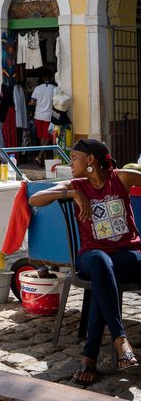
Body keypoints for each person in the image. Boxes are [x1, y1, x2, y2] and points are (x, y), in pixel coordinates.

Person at [31, 138, 141, 386]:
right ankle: (120, 338)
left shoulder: (121, 178)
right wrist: (71, 193)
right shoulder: (75, 184)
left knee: (107, 273)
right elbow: (34, 199)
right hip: (91, 257)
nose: (71, 163)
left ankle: (90, 356)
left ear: (90, 160)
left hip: (126, 255)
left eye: (75, 158)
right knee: (102, 263)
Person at [29, 72, 55, 164]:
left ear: (43, 78)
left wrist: (39, 102)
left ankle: (40, 157)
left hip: (38, 116)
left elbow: (32, 102)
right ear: (51, 78)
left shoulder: (37, 88)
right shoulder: (54, 89)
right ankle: (41, 157)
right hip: (48, 116)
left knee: (42, 138)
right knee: (47, 137)